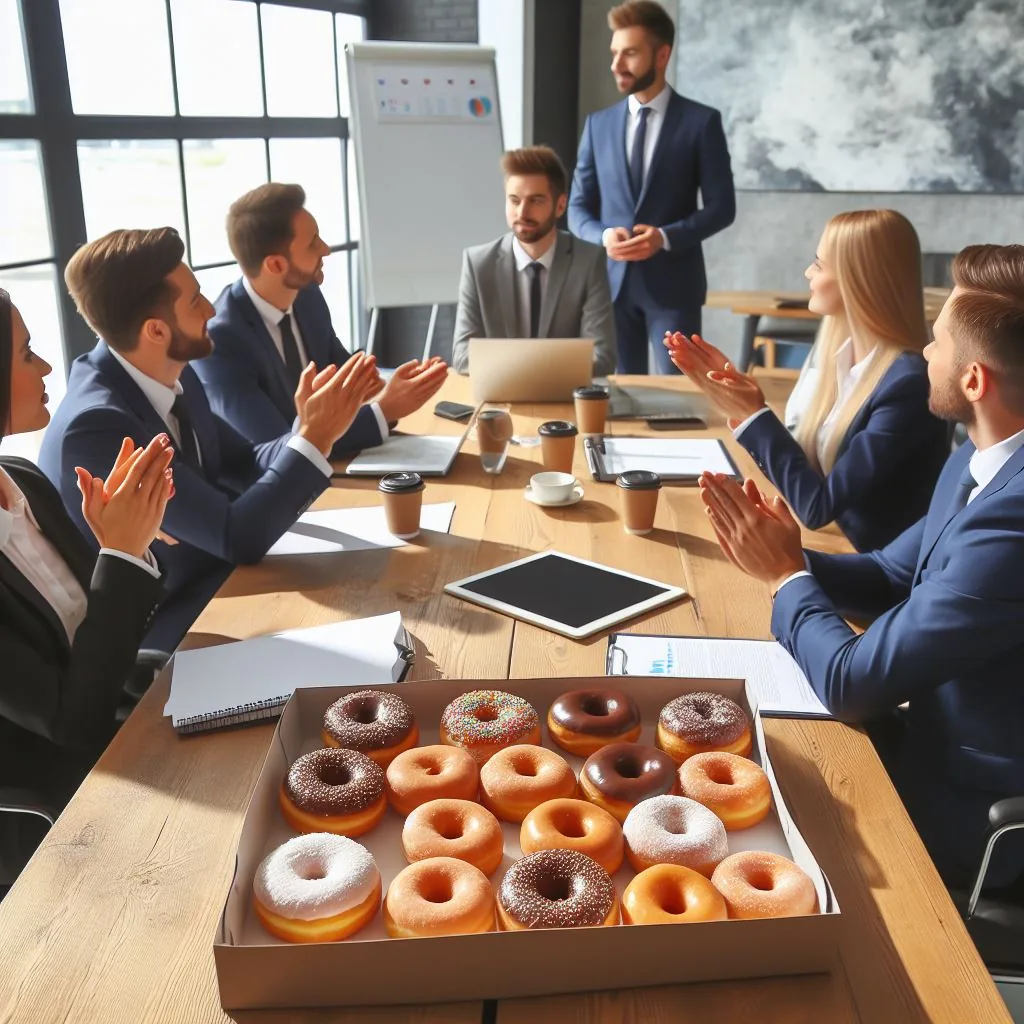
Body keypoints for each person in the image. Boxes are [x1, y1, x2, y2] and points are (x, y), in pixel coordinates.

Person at [698, 243, 1024, 891]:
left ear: (974, 380)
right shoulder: (980, 459)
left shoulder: (1012, 524)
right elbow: (888, 574)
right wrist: (775, 548)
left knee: (742, 836)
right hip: (920, 738)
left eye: (936, 343)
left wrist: (786, 576)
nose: (923, 354)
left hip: (974, 818)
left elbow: (853, 684)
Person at [39, 227, 383, 652]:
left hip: (225, 586)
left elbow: (244, 460)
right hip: (175, 631)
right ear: (156, 331)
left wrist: (312, 425)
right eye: (195, 300)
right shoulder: (98, 428)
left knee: (375, 585)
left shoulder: (169, 371)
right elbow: (235, 536)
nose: (210, 310)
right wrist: (313, 437)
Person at [0, 288, 173, 880]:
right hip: (65, 807)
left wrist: (131, 541)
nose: (47, 367)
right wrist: (120, 555)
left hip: (122, 740)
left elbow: (107, 633)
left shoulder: (23, 480)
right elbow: (73, 724)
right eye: (26, 354)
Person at [665, 210, 949, 552]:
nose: (808, 273)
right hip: (839, 542)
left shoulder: (907, 385)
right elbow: (806, 472)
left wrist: (756, 414)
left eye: (819, 263)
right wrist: (730, 394)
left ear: (858, 278)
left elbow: (817, 508)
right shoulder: (840, 359)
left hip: (875, 571)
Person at [200, 183, 448, 457]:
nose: (326, 249)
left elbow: (344, 375)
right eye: (312, 243)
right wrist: (385, 409)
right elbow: (278, 447)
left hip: (336, 467)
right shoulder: (219, 342)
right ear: (276, 265)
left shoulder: (307, 296)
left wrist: (387, 385)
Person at [568, 0, 735, 375]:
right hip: (610, 289)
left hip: (674, 290)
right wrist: (604, 235)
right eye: (614, 53)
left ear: (662, 55)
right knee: (619, 400)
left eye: (629, 53)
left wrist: (664, 237)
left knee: (677, 400)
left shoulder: (701, 123)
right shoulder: (598, 125)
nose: (616, 64)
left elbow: (722, 207)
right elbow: (577, 209)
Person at [452, 145, 617, 376]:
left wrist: (517, 368)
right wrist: (537, 370)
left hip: (564, 401)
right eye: (514, 200)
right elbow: (462, 356)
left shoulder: (588, 261)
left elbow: (603, 356)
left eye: (536, 201)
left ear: (560, 205)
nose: (522, 212)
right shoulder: (478, 263)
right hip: (499, 401)